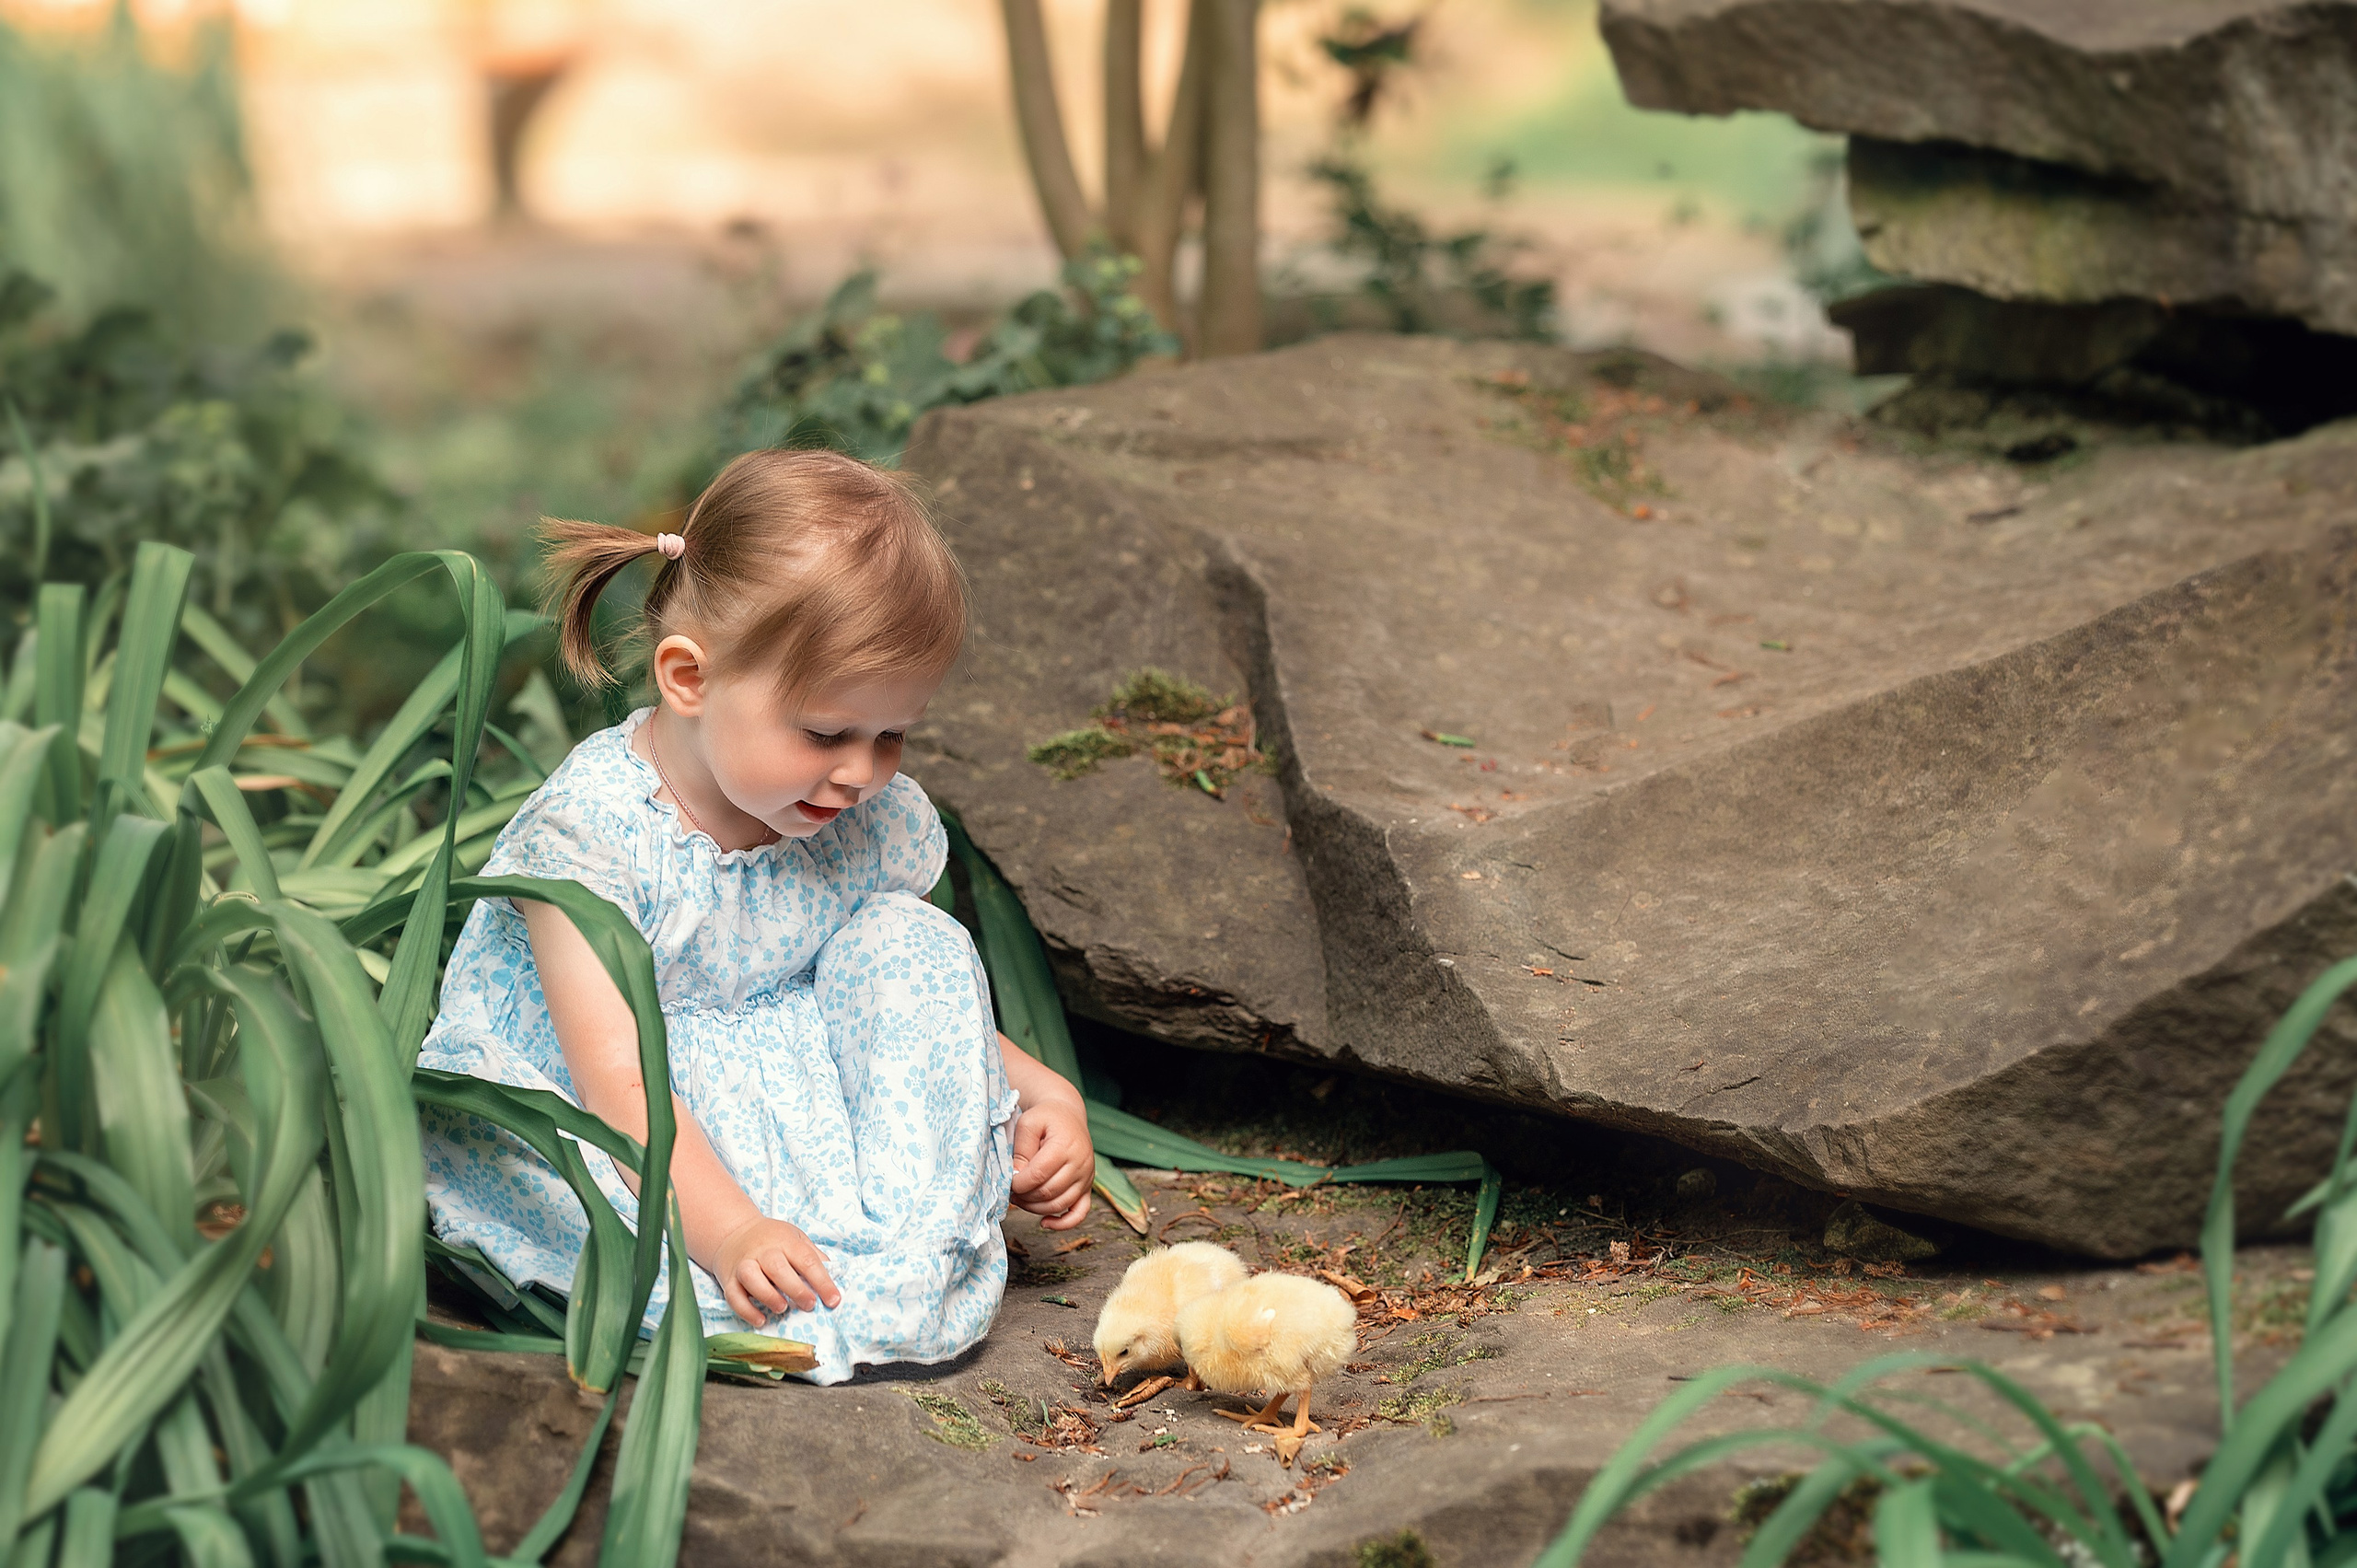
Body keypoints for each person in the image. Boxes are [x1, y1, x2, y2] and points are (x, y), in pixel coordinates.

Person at [416, 447, 1094, 1384]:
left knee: (916, 935)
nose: (862, 770)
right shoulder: (593, 838)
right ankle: (747, 1272)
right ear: (688, 679)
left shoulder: (858, 814)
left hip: (804, 1092)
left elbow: (908, 996)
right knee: (629, 1205)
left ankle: (907, 1245)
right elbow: (618, 1082)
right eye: (825, 732)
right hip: (636, 1128)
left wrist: (1031, 1091)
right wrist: (730, 1227)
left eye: (890, 733)